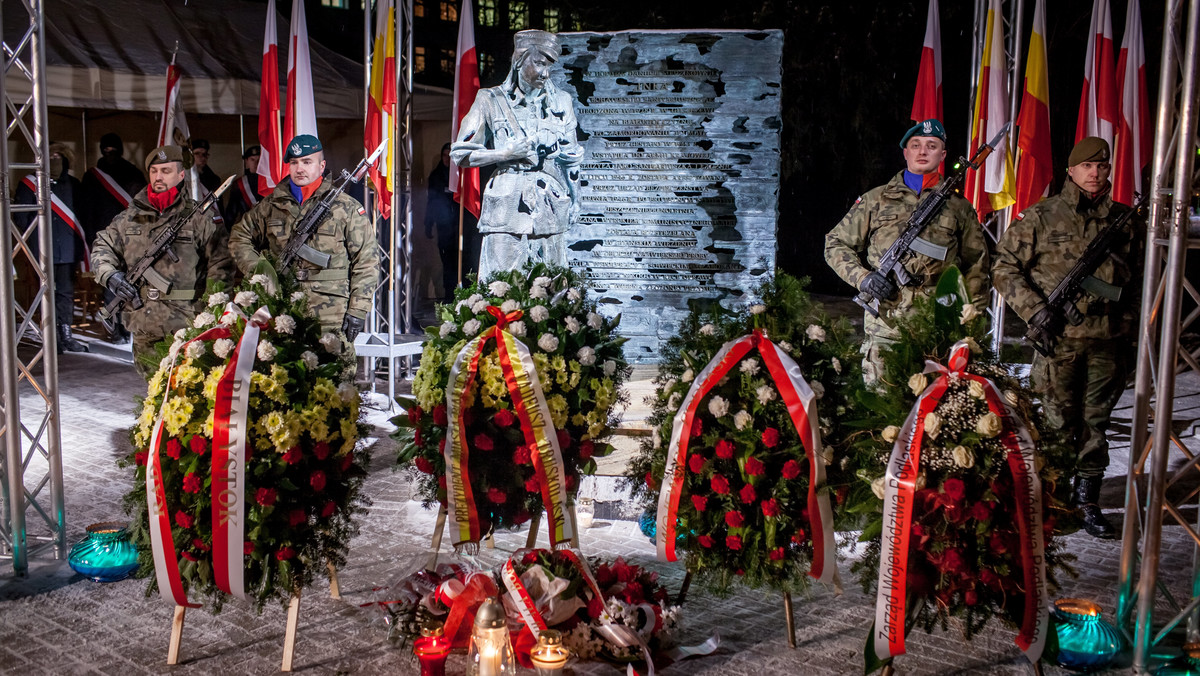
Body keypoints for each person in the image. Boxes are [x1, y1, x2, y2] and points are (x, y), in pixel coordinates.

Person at [992, 137, 1139, 539]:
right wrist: (1037, 311)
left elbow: (1139, 281)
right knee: (1057, 422)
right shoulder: (1042, 217)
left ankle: (1088, 501)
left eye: (1102, 167)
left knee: (1096, 423)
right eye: (1087, 166)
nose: (1095, 173)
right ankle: (1054, 498)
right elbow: (1003, 267)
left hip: (1107, 340)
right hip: (1059, 342)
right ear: (1071, 171)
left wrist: (1127, 322)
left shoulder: (1125, 221)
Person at [824, 119, 991, 386]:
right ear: (906, 152)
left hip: (937, 326)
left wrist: (969, 322)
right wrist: (863, 278)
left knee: (931, 415)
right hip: (886, 326)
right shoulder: (875, 199)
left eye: (931, 146)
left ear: (943, 154)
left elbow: (977, 267)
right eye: (916, 145)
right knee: (881, 412)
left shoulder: (959, 208)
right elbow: (834, 244)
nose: (923, 151)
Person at [90, 145, 234, 378]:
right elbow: (102, 247)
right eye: (154, 171)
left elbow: (221, 266)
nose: (158, 176)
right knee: (151, 396)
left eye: (166, 171)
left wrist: (212, 312)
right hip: (143, 322)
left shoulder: (200, 218)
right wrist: (110, 275)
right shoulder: (129, 217)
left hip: (187, 323)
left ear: (181, 175)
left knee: (187, 396)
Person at [451, 29, 583, 280]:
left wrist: (577, 200)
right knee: (499, 287)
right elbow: (461, 154)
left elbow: (571, 157)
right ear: (520, 60)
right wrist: (504, 153)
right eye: (540, 63)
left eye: (549, 66)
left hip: (550, 206)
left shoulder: (562, 102)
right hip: (506, 209)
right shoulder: (490, 100)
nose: (545, 73)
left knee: (553, 288)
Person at [229, 134, 380, 351]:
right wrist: (260, 270)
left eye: (307, 162)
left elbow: (367, 261)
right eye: (294, 163)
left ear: (321, 166)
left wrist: (358, 309)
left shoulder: (345, 207)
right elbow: (238, 237)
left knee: (335, 380)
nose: (300, 168)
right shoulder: (270, 205)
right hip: (281, 307)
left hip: (330, 313)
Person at [14, 142, 90, 353]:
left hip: (67, 249)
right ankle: (51, 337)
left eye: (59, 155)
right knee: (45, 294)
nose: (55, 159)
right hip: (41, 249)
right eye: (51, 155)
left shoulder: (74, 184)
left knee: (65, 293)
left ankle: (66, 335)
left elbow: (83, 214)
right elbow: (21, 217)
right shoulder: (29, 184)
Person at [80, 132, 147, 344]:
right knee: (111, 282)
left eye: (113, 148)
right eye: (106, 149)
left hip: (131, 238)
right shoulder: (92, 176)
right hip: (104, 238)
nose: (110, 152)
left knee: (132, 283)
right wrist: (92, 238)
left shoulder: (132, 173)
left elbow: (142, 205)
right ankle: (114, 328)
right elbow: (86, 210)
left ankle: (127, 326)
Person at [426, 143, 459, 301]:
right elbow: (431, 202)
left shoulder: (459, 176)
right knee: (447, 263)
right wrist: (428, 223)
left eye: (450, 156)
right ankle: (448, 295)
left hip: (459, 227)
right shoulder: (436, 176)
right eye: (444, 155)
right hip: (443, 226)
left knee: (459, 262)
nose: (446, 159)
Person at [225, 145, 262, 228]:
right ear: (246, 162)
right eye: (252, 160)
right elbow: (231, 212)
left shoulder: (269, 183)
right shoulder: (239, 184)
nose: (256, 163)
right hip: (248, 228)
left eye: (259, 160)